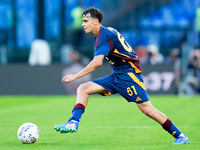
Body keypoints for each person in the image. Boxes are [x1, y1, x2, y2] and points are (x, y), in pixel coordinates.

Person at [54, 7, 190, 145]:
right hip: (118, 75)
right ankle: (73, 122)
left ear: (96, 21)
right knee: (83, 88)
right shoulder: (104, 33)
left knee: (147, 109)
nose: (82, 24)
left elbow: (97, 62)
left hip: (129, 75)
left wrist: (75, 76)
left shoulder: (104, 35)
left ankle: (181, 136)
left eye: (85, 21)